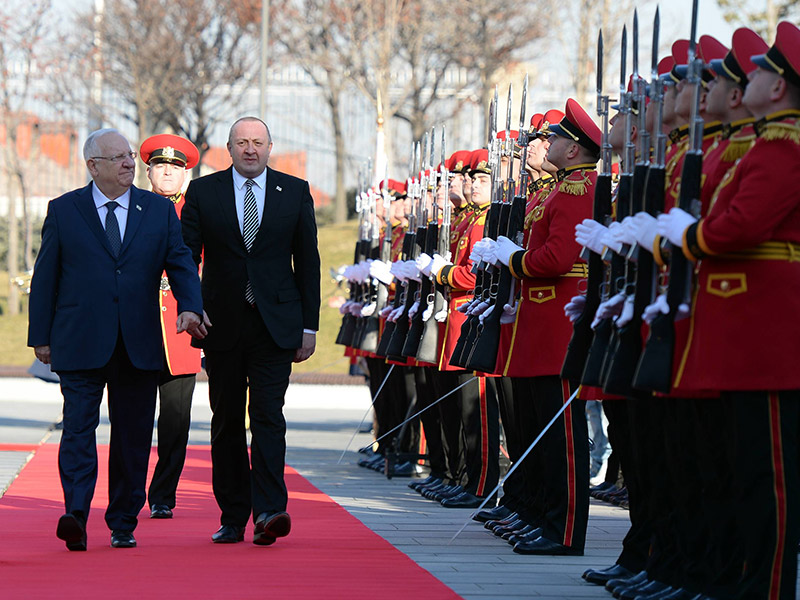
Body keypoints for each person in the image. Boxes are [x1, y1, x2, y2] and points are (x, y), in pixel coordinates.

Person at [27, 128, 205, 551]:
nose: (130, 163)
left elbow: (181, 262)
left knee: (132, 437)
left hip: (138, 343)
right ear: (93, 166)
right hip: (79, 341)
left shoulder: (157, 212)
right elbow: (46, 277)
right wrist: (40, 337)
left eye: (130, 156)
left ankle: (123, 519)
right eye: (119, 158)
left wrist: (190, 306)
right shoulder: (64, 210)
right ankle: (75, 512)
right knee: (77, 429)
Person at [181, 116, 321, 545]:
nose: (249, 149)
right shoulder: (204, 192)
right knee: (225, 421)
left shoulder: (294, 192)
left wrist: (309, 326)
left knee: (267, 417)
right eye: (241, 142)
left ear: (270, 147)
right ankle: (232, 516)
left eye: (257, 142)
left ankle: (270, 511)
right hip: (219, 324)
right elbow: (185, 256)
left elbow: (308, 262)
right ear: (229, 148)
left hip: (274, 326)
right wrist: (190, 307)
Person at [139, 134, 203, 519]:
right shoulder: (134, 207)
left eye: (175, 168)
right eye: (161, 166)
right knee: (134, 418)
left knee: (176, 421)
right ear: (148, 171)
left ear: (185, 174)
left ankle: (163, 494)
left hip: (183, 327)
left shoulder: (196, 213)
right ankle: (129, 491)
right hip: (140, 324)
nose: (167, 172)